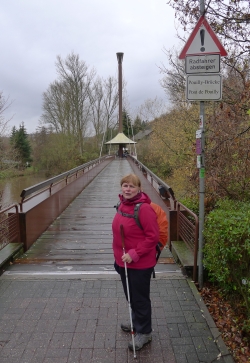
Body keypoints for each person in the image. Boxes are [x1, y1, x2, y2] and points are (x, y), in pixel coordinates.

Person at [112, 173, 159, 351]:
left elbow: (152, 237)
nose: (128, 189)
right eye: (125, 186)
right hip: (123, 262)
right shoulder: (122, 204)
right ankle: (136, 322)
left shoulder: (144, 209)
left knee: (139, 299)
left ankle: (145, 332)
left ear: (139, 188)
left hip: (138, 264)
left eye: (132, 186)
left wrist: (134, 253)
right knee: (131, 296)